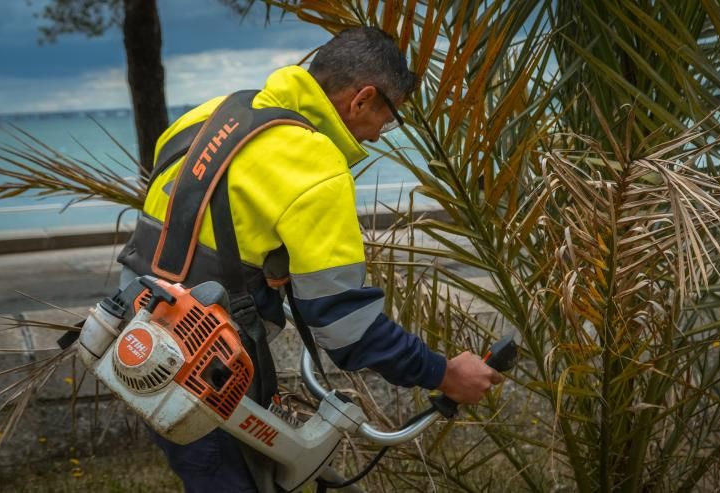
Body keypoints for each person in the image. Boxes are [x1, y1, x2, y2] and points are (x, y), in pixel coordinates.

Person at [116, 26, 502, 492]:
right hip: (205, 371)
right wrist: (444, 373)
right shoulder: (315, 163)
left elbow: (186, 225)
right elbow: (347, 328)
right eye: (388, 119)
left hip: (131, 338)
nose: (379, 135)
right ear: (362, 99)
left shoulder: (208, 115)